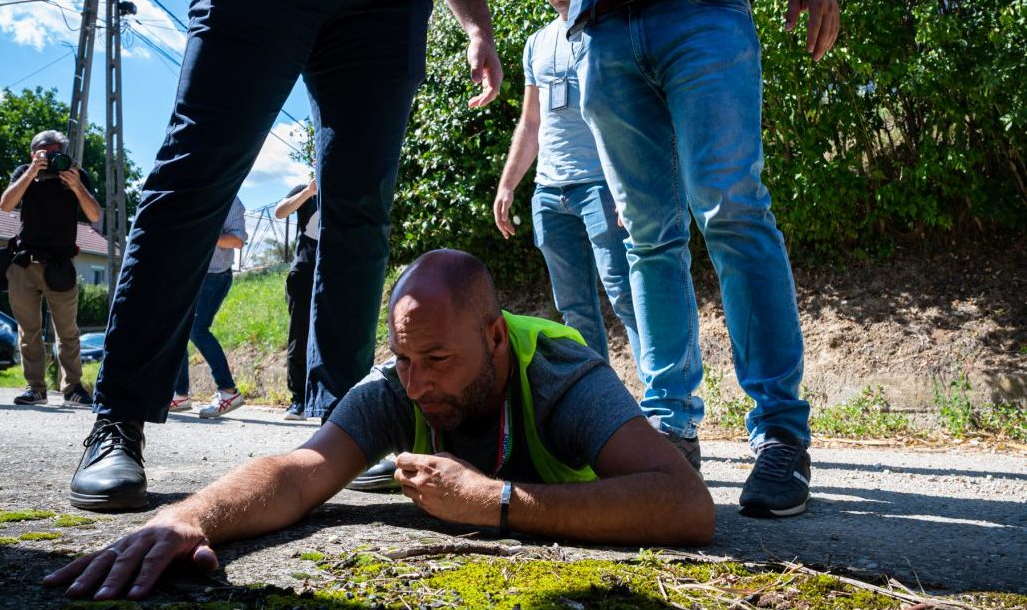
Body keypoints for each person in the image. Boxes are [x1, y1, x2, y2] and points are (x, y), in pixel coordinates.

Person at [68, 0, 503, 512]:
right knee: (191, 180)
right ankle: (118, 419)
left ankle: (348, 427)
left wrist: (477, 25)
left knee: (360, 212)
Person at [45, 249, 713, 601]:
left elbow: (686, 504)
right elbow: (302, 470)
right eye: (404, 358)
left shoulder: (561, 374)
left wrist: (497, 503)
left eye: (439, 361)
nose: (417, 384)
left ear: (496, 338)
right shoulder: (401, 382)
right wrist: (190, 517)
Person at [568, 0, 841, 517]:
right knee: (646, 238)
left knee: (734, 214)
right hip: (601, 24)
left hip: (704, 2)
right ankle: (669, 429)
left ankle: (781, 437)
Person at [493, 0, 640, 376]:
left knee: (625, 295)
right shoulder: (535, 44)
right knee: (574, 310)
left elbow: (628, 115)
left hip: (601, 188)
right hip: (549, 193)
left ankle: (659, 409)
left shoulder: (610, 28)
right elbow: (531, 122)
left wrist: (627, 186)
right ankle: (598, 404)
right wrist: (508, 185)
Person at [0, 130, 102, 407]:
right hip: (24, 263)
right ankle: (35, 387)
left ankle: (72, 388)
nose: (52, 156)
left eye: (56, 151)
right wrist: (32, 172)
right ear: (34, 153)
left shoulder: (75, 174)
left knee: (68, 331)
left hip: (60, 264)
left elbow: (95, 215)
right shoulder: (24, 172)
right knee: (28, 330)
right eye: (45, 152)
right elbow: (6, 204)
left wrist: (77, 186)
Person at [169, 196, 247, 418]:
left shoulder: (230, 200)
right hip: (189, 274)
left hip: (215, 276)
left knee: (197, 329)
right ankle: (180, 394)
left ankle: (228, 391)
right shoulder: (191, 193)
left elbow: (237, 240)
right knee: (179, 330)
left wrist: (205, 233)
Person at [273, 175, 319, 421]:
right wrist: (308, 193)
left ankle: (327, 399)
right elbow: (280, 212)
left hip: (334, 273)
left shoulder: (344, 189)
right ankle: (298, 400)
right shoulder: (305, 189)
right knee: (299, 337)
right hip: (304, 272)